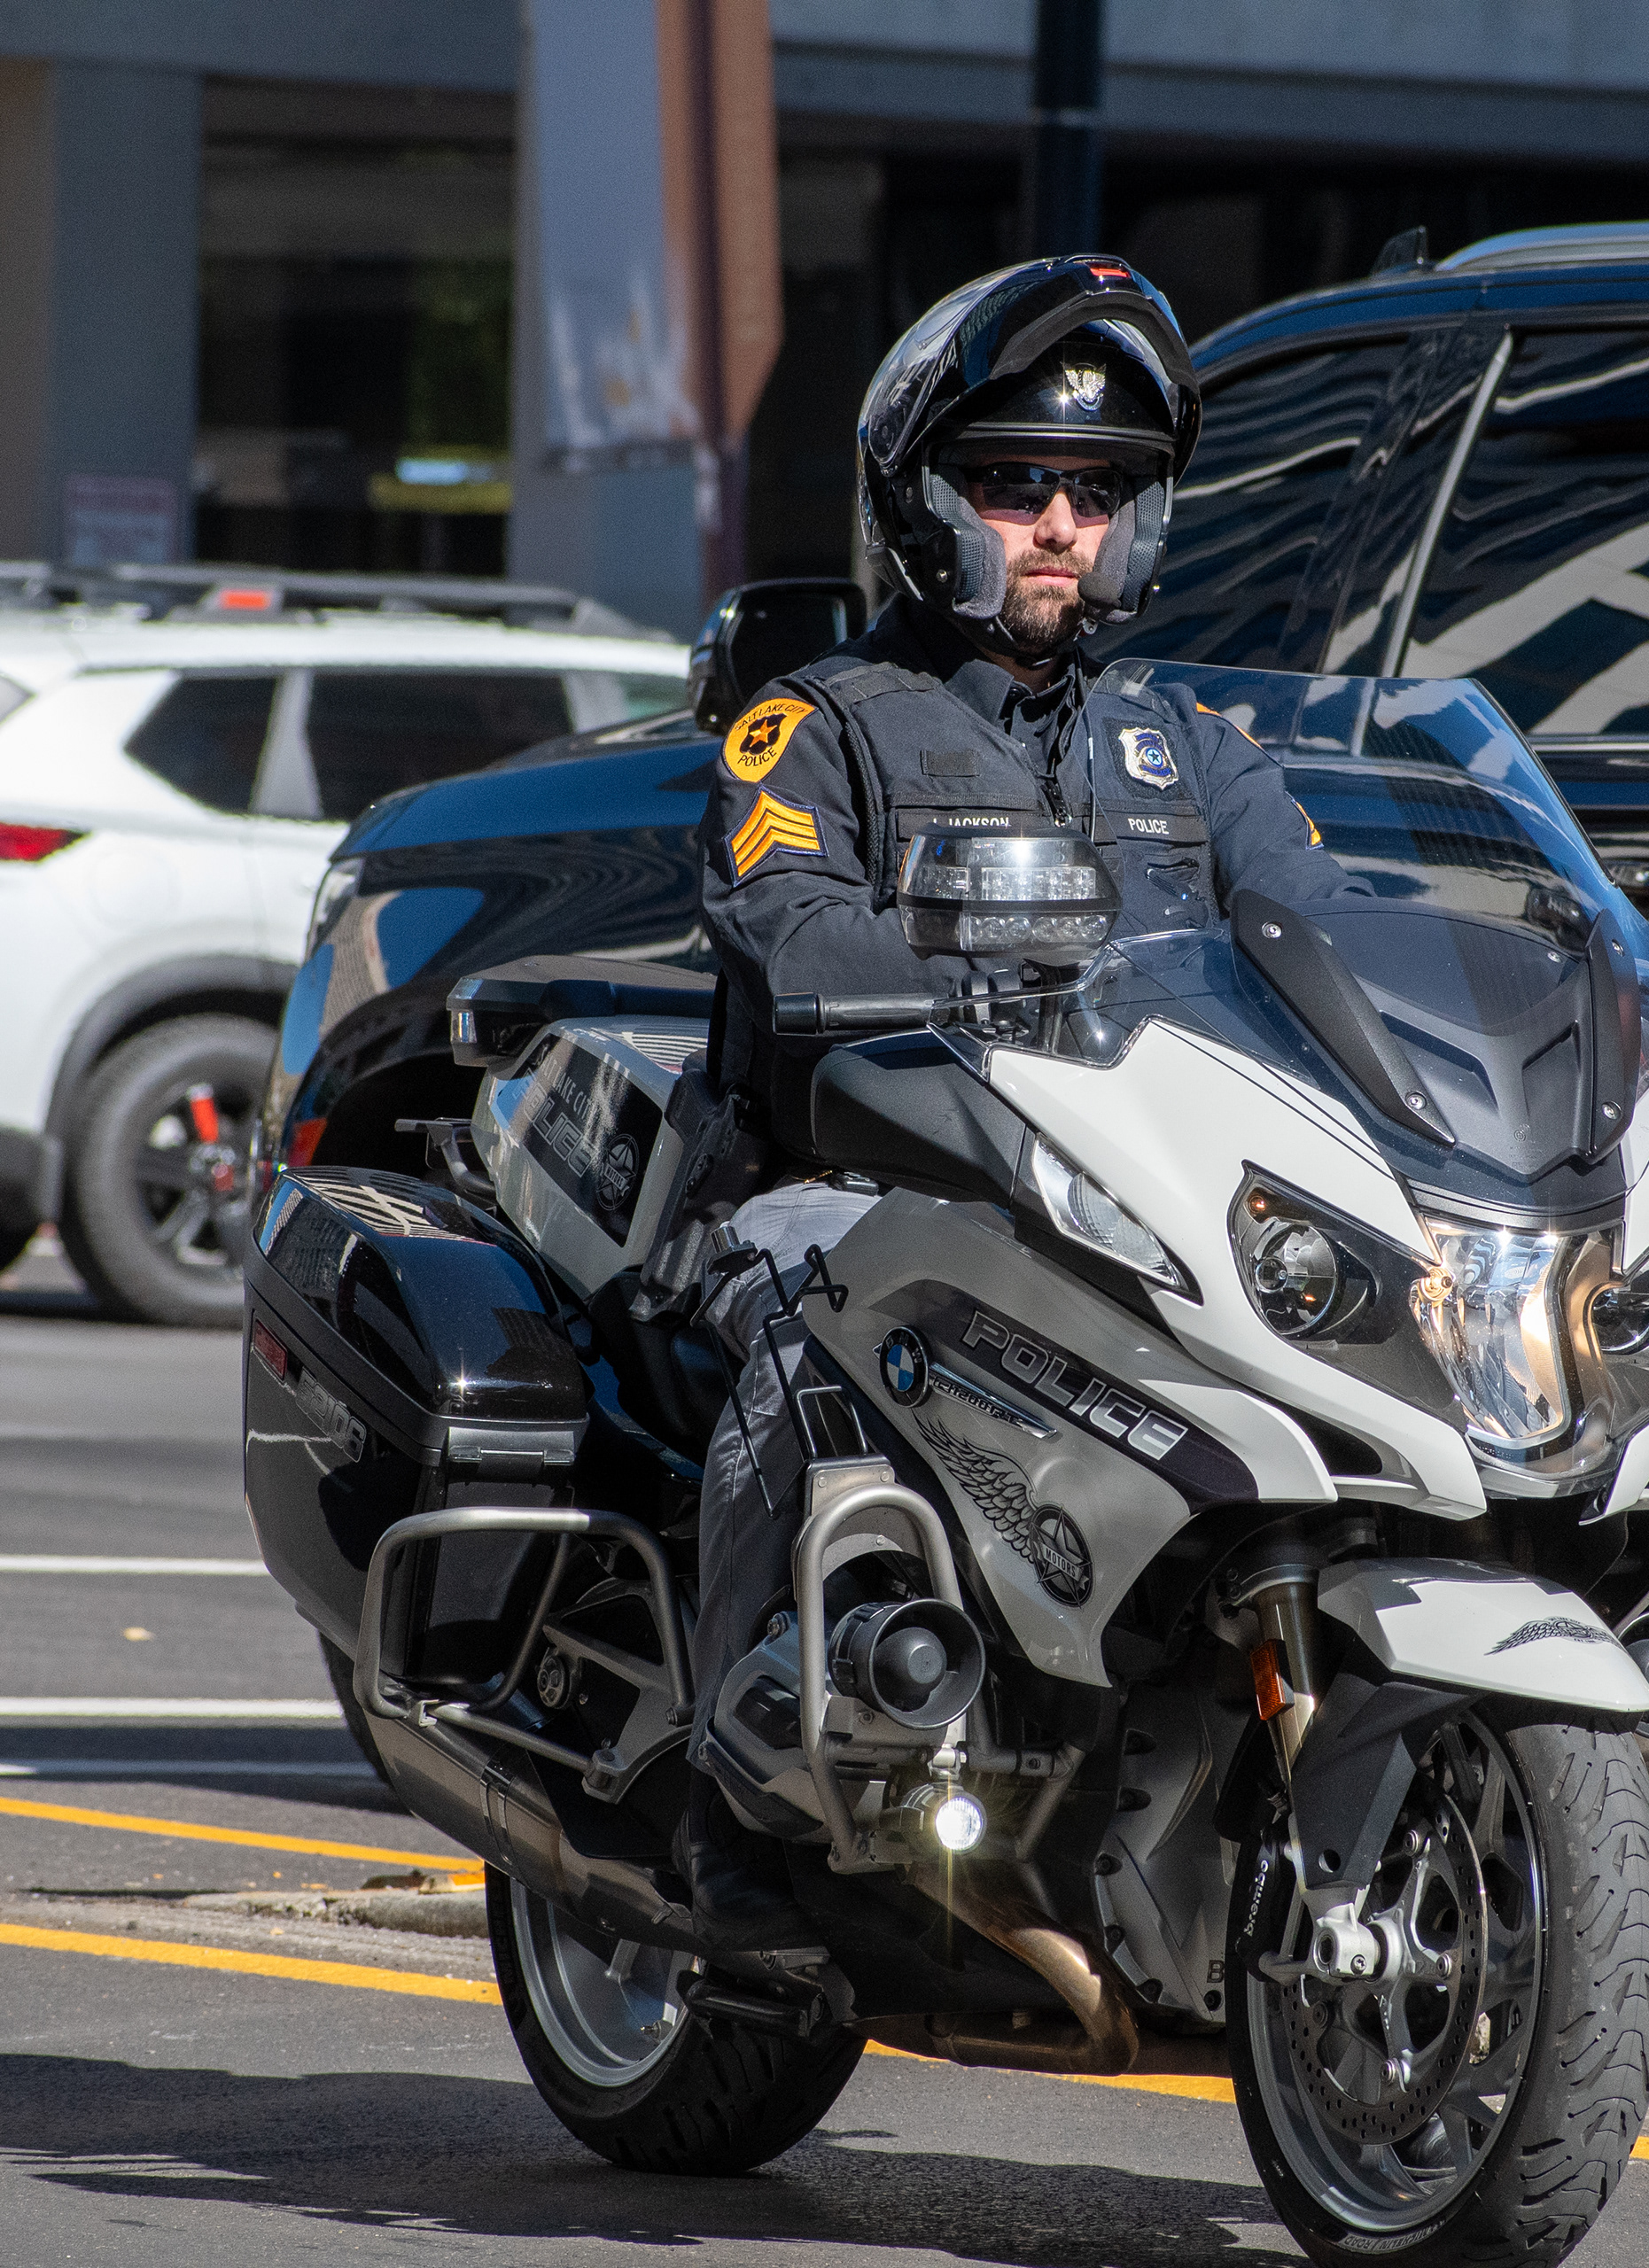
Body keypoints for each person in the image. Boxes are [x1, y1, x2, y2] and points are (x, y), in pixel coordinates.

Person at [669, 254, 1358, 1944]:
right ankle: (739, 1791)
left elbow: (1323, 944)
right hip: (848, 1185)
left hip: (1128, 1204)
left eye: (1100, 490)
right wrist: (924, 986)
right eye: (1014, 484)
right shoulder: (816, 727)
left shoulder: (1191, 751)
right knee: (809, 1310)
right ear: (922, 502)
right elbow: (790, 906)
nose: (1060, 521)